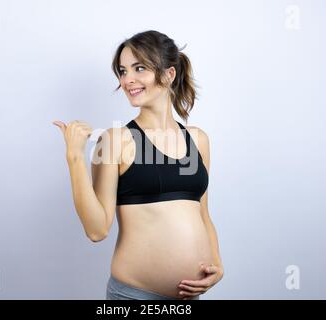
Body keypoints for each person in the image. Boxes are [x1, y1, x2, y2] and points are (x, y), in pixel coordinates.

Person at [53, 30, 223, 300]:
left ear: (169, 74)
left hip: (190, 298)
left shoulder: (198, 140)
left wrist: (217, 264)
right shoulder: (115, 141)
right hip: (134, 297)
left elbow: (203, 214)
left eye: (139, 68)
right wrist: (74, 158)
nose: (127, 79)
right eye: (122, 71)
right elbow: (97, 230)